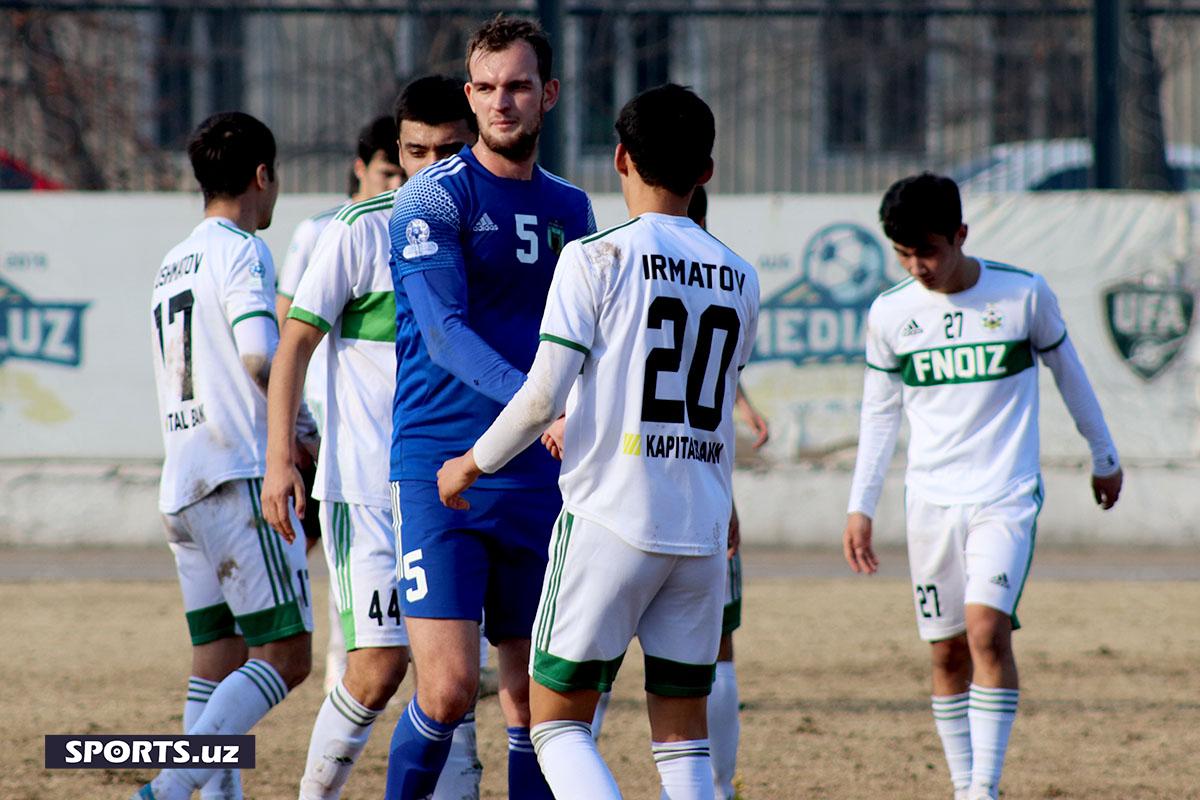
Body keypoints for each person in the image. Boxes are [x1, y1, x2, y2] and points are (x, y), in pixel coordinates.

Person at [438, 83, 760, 800]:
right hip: (700, 530)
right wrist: (728, 500)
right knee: (684, 745)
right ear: (707, 170)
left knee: (556, 727)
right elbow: (705, 413)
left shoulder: (595, 256)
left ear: (620, 158)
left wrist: (469, 462)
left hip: (612, 518)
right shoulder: (742, 275)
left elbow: (542, 398)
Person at [843, 173, 1123, 800]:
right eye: (904, 254)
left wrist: (1103, 454)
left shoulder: (1023, 294)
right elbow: (879, 412)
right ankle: (964, 783)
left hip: (1005, 493)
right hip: (930, 502)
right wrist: (861, 507)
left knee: (986, 632)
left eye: (929, 250)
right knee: (946, 656)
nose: (918, 266)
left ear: (961, 235)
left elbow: (1069, 374)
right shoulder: (890, 313)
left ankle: (983, 790)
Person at [382, 16, 594, 800]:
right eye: (488, 88)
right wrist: (542, 406)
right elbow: (444, 336)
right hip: (443, 471)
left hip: (540, 475)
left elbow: (588, 340)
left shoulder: (573, 210)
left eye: (518, 86)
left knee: (533, 701)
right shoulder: (428, 203)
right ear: (469, 96)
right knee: (444, 692)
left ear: (549, 95)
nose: (502, 102)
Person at [261, 76, 480, 800]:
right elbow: (291, 346)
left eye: (448, 151)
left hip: (458, 486)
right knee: (379, 668)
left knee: (455, 681)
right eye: (415, 152)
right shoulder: (360, 229)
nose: (430, 168)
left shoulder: (491, 233)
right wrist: (278, 463)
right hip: (368, 489)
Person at [136, 111, 318, 800]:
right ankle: (169, 789)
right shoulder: (242, 249)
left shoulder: (172, 259)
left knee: (217, 659)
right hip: (237, 474)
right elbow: (256, 354)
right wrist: (302, 422)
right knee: (287, 655)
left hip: (181, 483)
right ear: (262, 175)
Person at [585, 184, 768, 800]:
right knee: (710, 661)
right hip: (704, 502)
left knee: (583, 675)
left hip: (621, 500)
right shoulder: (735, 274)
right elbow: (712, 390)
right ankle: (716, 789)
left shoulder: (616, 259)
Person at [275, 115, 404, 694]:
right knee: (342, 569)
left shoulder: (434, 225)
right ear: (361, 168)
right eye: (389, 171)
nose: (398, 183)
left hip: (401, 440)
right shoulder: (324, 230)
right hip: (337, 430)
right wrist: (298, 426)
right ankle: (337, 672)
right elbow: (290, 331)